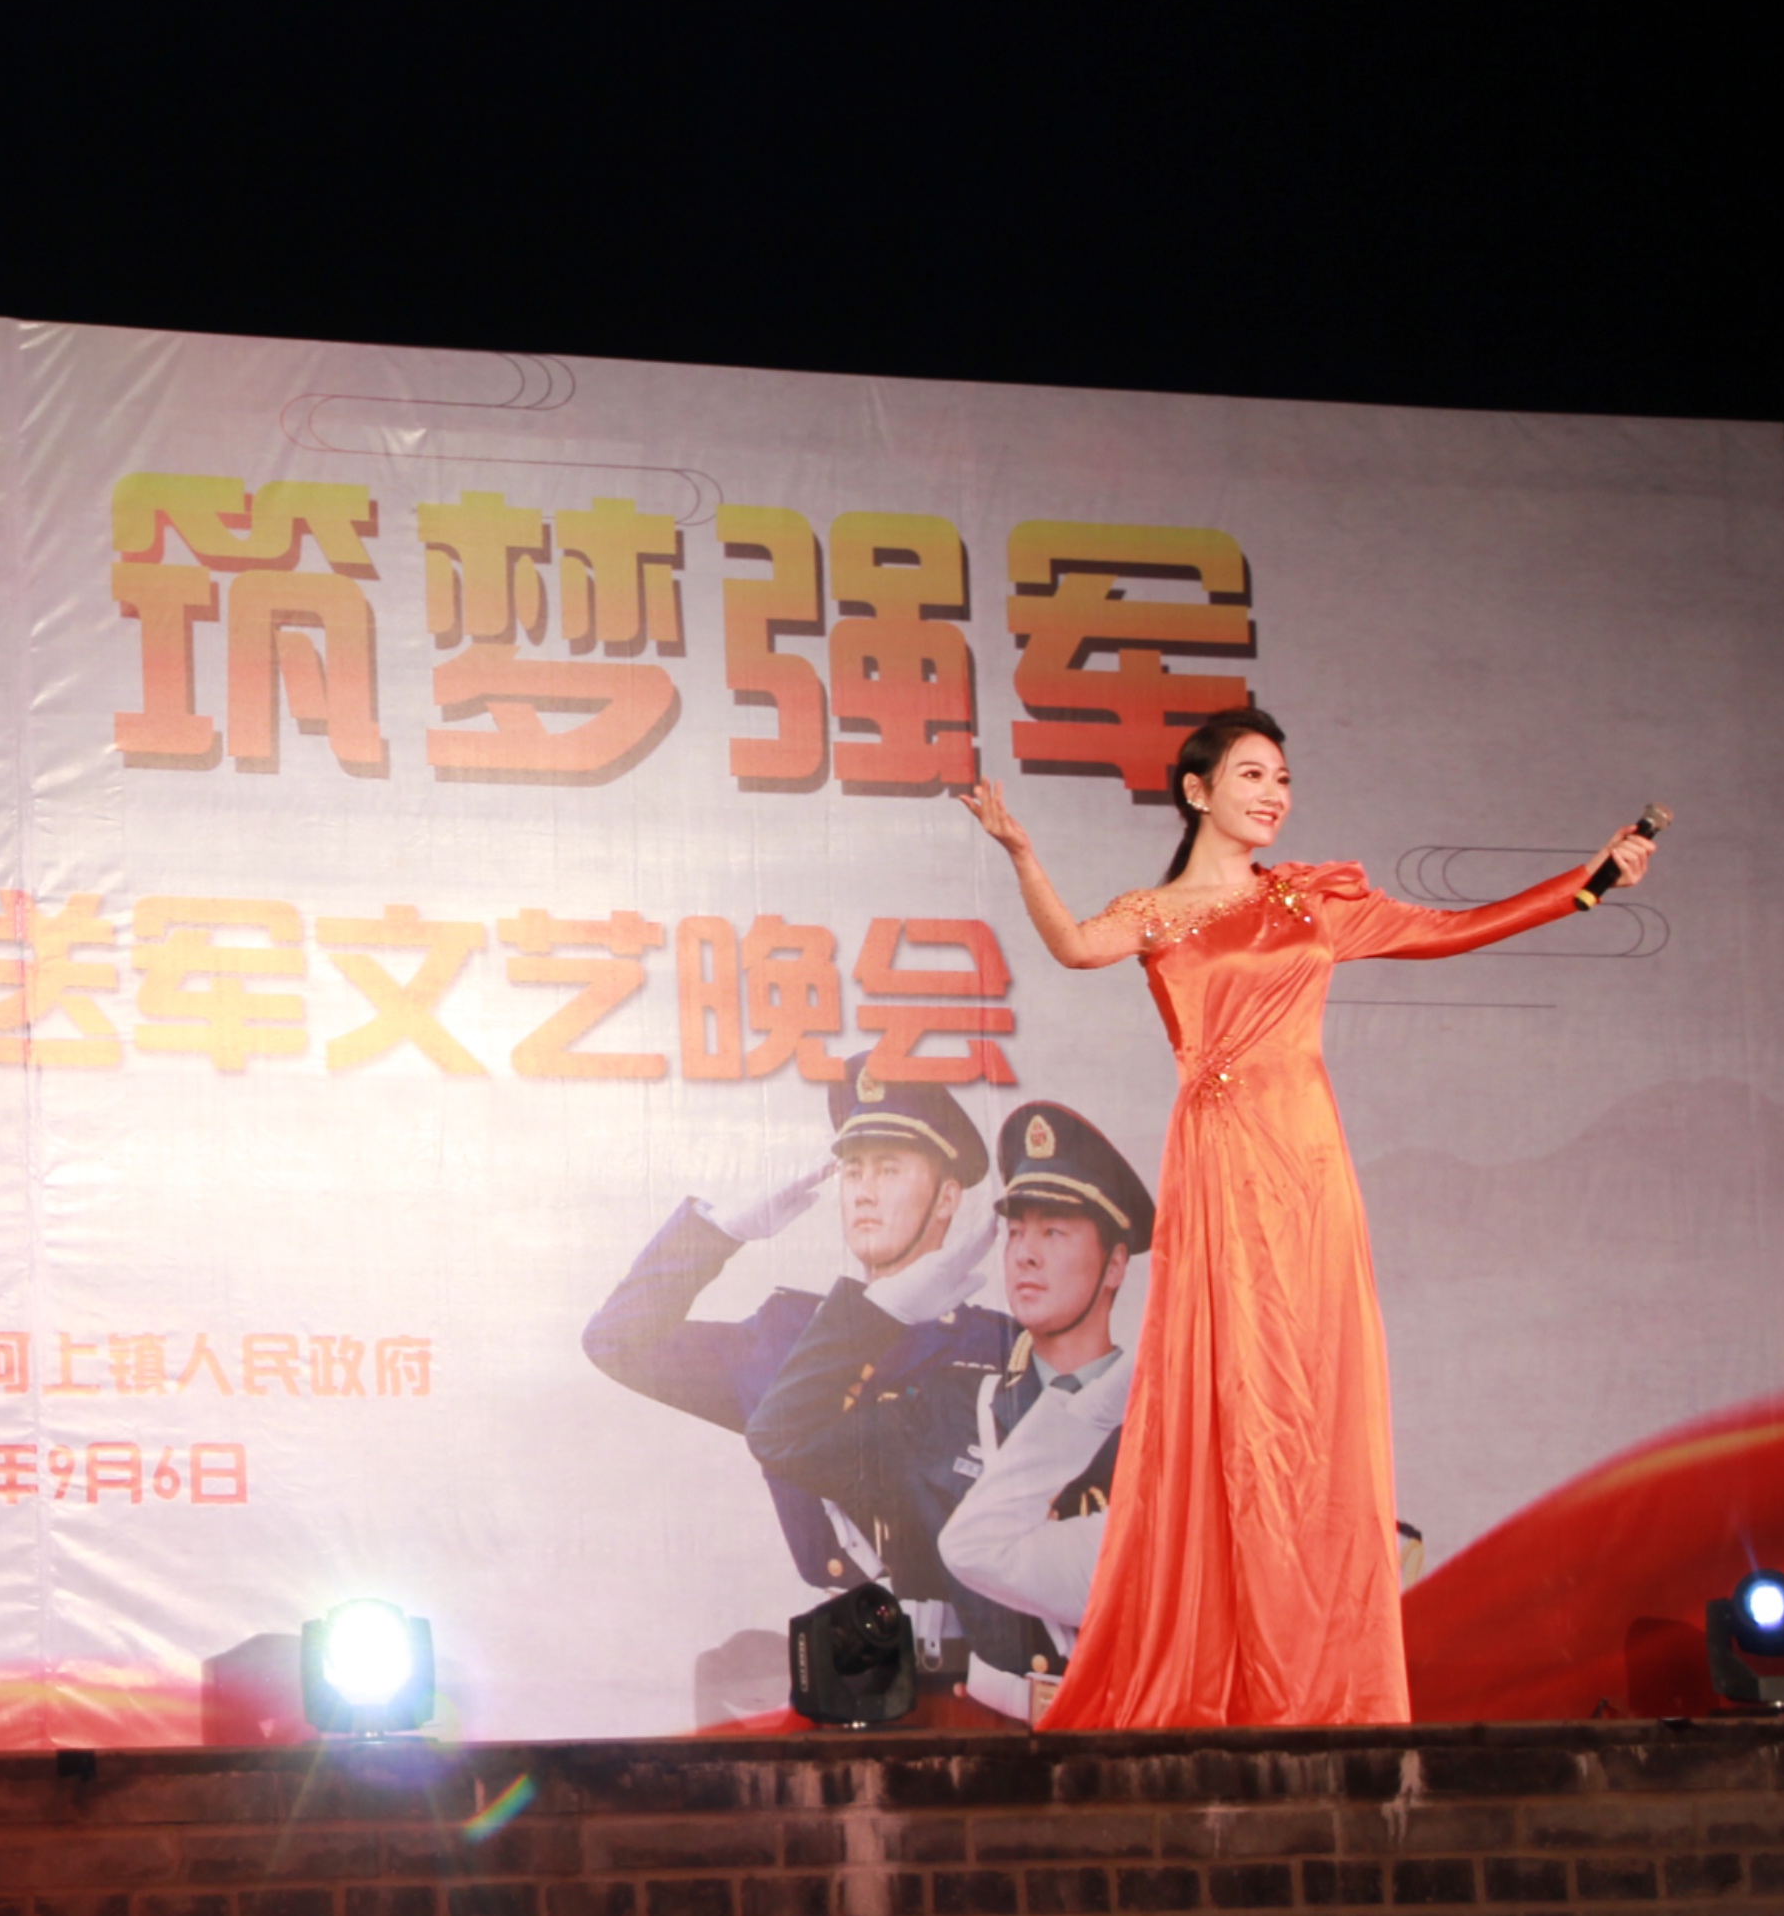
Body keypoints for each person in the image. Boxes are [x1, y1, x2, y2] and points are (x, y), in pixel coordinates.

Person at [957, 706, 1658, 1727]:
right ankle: (1230, 1654)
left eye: (1281, 778)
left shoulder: (1309, 902)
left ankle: (1315, 1660)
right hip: (1216, 1155)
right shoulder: (1154, 911)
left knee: (1309, 1383)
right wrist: (1022, 854)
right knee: (1234, 1385)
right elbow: (1070, 946)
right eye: (1250, 774)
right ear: (1196, 792)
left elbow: (1452, 930)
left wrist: (1585, 883)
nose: (1272, 794)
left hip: (1306, 1158)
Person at [584, 1052, 1013, 1634]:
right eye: (854, 1171)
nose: (864, 1193)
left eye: (889, 1170)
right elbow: (617, 1343)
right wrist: (716, 1233)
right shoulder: (786, 1337)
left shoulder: (997, 1348)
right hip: (839, 1647)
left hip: (985, 1653)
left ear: (946, 1198)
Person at [934, 1101, 1156, 1717]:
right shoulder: (954, 1407)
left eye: (1053, 1232)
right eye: (1016, 1232)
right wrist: (883, 1315)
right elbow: (786, 1434)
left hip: (1137, 1728)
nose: (1025, 1255)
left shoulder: (1166, 1420)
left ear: (1115, 1264)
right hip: (995, 1727)